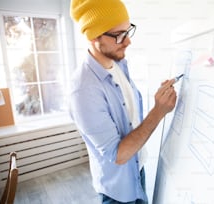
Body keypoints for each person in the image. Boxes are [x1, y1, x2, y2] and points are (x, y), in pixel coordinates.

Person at [69, 0, 177, 203]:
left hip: (137, 169)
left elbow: (129, 117)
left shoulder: (118, 63)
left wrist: (159, 98)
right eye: (119, 35)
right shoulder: (83, 91)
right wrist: (158, 111)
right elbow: (117, 154)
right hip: (117, 192)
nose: (128, 42)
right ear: (93, 37)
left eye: (128, 31)